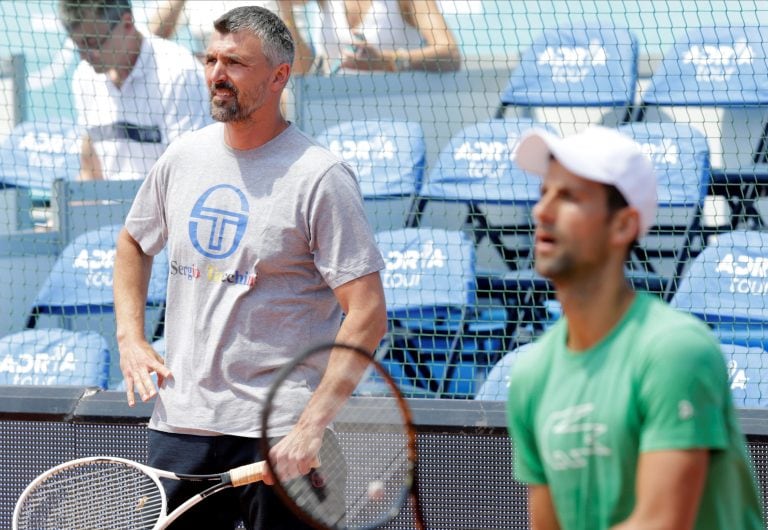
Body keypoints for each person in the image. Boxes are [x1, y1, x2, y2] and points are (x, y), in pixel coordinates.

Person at [113, 5, 387, 529]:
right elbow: (132, 243)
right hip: (180, 429)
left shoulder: (321, 177)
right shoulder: (182, 157)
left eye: (235, 63)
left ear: (279, 76)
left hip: (280, 435)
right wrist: (130, 337)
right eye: (210, 59)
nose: (216, 73)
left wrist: (311, 427)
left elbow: (368, 316)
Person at [505, 126, 764, 530]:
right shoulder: (530, 375)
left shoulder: (675, 350)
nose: (542, 211)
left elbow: (662, 523)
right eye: (544, 194)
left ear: (623, 226)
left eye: (569, 197)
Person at [59, 0, 211, 181]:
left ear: (127, 24)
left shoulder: (179, 74)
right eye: (79, 46)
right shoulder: (84, 76)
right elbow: (90, 171)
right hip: (106, 208)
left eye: (93, 43)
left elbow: (188, 176)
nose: (85, 56)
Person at [277, 0, 461, 74]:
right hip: (332, 110)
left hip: (393, 114)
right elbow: (300, 72)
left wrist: (387, 60)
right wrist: (287, 14)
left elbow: (451, 54)